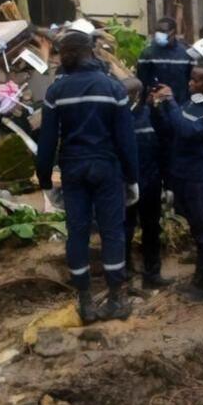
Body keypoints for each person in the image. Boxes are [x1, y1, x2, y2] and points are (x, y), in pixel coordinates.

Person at [36, 30, 139, 323]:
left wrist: (44, 178)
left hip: (74, 170)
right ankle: (117, 298)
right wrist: (132, 177)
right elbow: (125, 139)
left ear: (68, 55)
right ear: (91, 52)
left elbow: (47, 140)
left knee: (78, 232)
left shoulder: (57, 91)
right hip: (107, 169)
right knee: (112, 232)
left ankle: (85, 301)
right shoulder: (112, 88)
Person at [152, 60, 203, 301]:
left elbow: (186, 130)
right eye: (191, 78)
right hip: (184, 177)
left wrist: (170, 101)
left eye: (196, 80)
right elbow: (173, 128)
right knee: (198, 231)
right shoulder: (191, 103)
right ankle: (200, 279)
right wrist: (157, 108)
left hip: (200, 180)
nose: (190, 82)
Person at [121, 78, 171, 289]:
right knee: (125, 229)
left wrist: (168, 184)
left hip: (149, 182)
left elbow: (165, 150)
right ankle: (125, 272)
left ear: (135, 95)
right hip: (128, 183)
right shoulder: (118, 118)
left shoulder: (153, 116)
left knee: (150, 228)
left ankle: (151, 274)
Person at [136, 17, 197, 105]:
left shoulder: (186, 53)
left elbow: (193, 80)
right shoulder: (147, 53)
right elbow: (142, 81)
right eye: (158, 31)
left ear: (174, 32)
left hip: (181, 104)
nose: (159, 34)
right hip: (155, 105)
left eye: (163, 31)